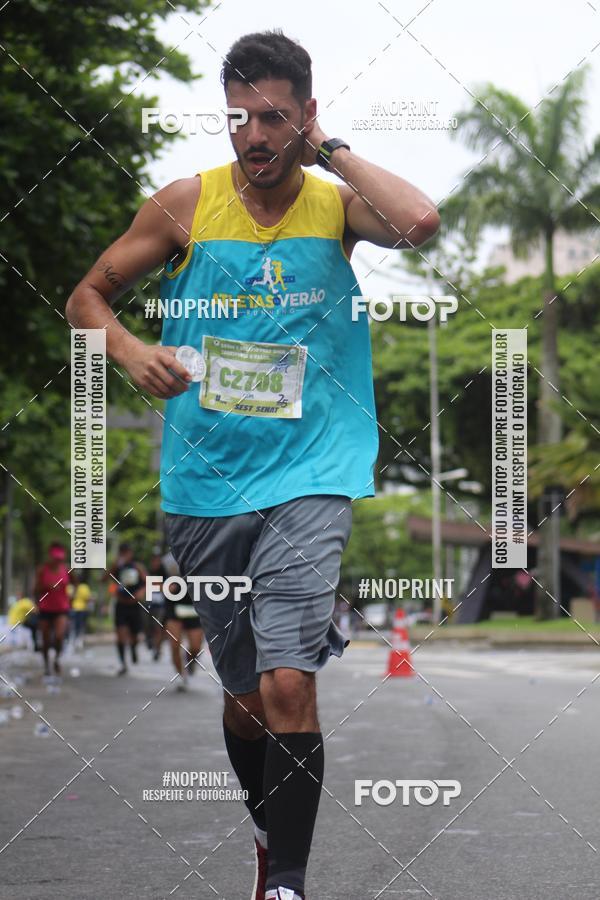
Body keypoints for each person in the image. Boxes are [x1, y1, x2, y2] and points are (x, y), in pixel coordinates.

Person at [66, 29, 439, 900]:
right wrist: (124, 348)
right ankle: (271, 834)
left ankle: (289, 888)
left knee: (287, 683)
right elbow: (88, 294)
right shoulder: (185, 206)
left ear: (306, 116)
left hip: (314, 472)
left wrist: (335, 152)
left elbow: (419, 221)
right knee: (243, 700)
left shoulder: (332, 204)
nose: (255, 137)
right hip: (206, 482)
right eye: (240, 118)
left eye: (275, 118)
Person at [34, 543, 75, 676]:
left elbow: (75, 584)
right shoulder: (42, 570)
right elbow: (35, 590)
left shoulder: (67, 569)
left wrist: (72, 598)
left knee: (59, 636)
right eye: (55, 558)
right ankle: (46, 665)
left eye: (60, 559)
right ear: (50, 557)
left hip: (61, 609)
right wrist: (46, 586)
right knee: (45, 639)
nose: (58, 561)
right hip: (45, 608)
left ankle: (57, 658)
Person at [107, 543, 146, 675]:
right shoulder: (116, 567)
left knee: (135, 636)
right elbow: (107, 580)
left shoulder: (137, 567)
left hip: (134, 605)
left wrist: (141, 592)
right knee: (121, 635)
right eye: (122, 553)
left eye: (127, 552)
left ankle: (134, 647)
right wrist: (113, 567)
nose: (125, 555)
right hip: (121, 605)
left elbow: (147, 582)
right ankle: (123, 663)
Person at [162, 584, 204, 692]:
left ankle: (191, 660)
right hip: (174, 608)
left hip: (193, 607)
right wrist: (165, 587)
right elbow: (153, 582)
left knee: (195, 647)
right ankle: (181, 676)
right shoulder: (167, 567)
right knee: (175, 644)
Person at [70, 576, 92, 650]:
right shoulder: (84, 587)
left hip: (73, 608)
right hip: (81, 609)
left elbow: (69, 597)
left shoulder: (71, 586)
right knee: (81, 625)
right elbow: (88, 598)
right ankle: (79, 640)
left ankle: (74, 640)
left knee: (74, 625)